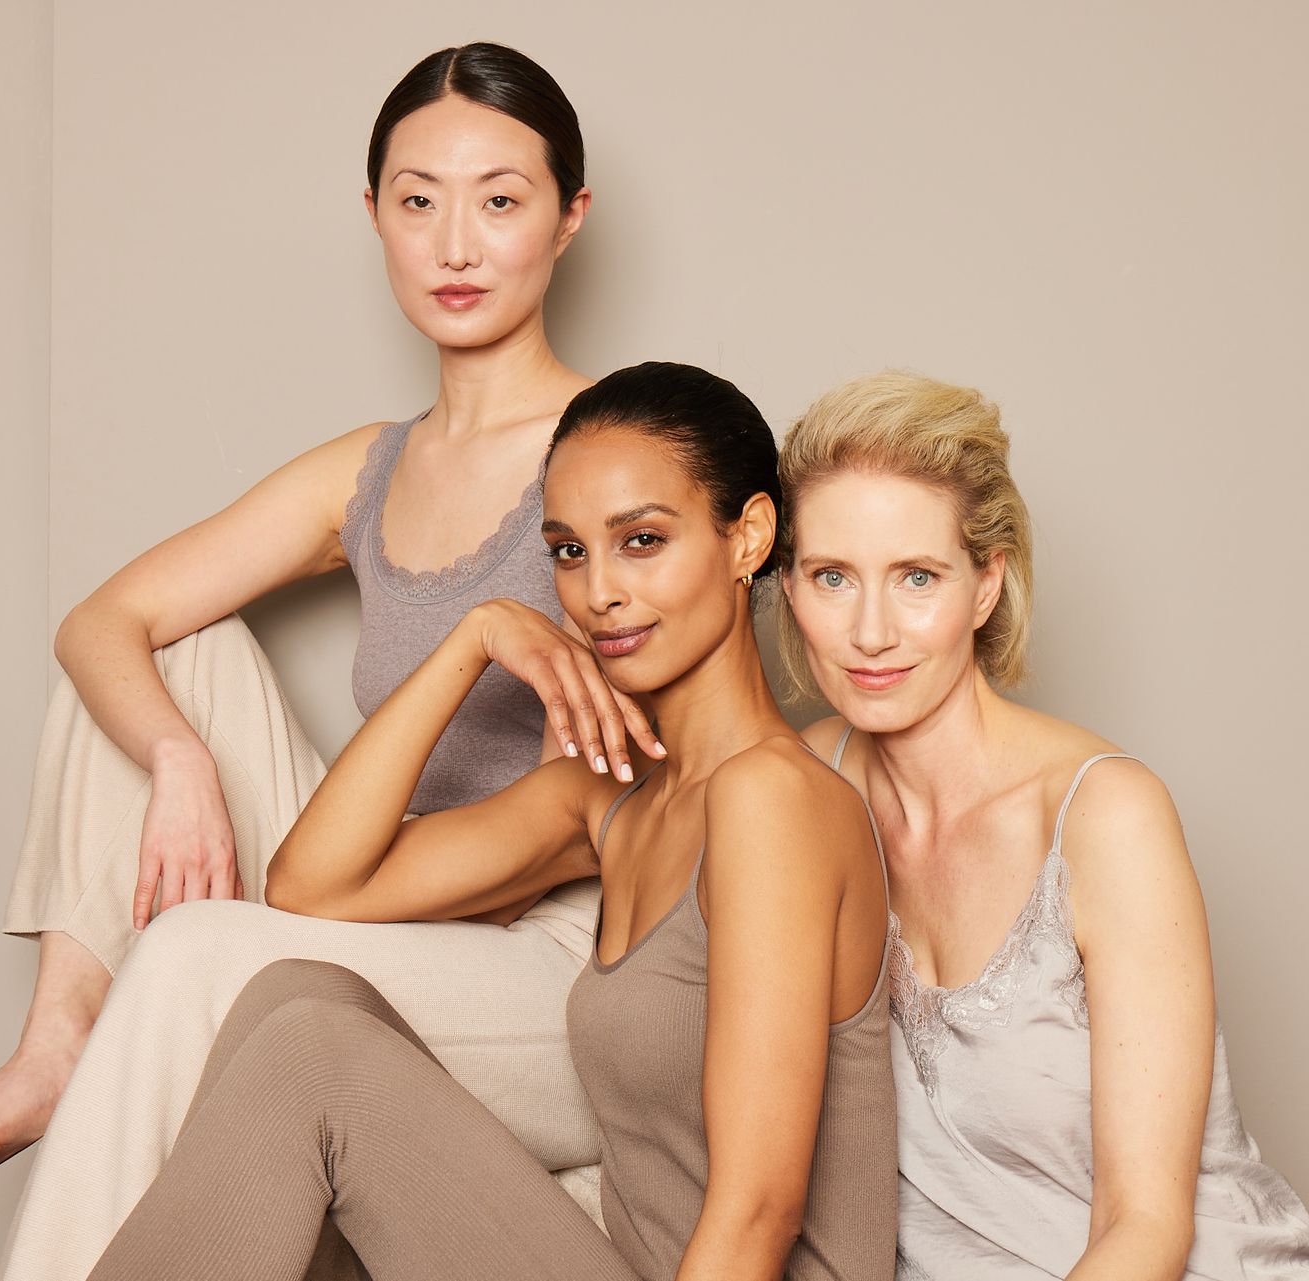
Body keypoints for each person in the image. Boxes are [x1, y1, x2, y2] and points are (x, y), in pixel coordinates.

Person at [0, 32, 658, 1264]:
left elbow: (656, 778)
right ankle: (60, 1041)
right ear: (374, 215)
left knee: (198, 949)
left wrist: (353, 890)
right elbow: (103, 621)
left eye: (501, 202)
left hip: (555, 969)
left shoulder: (620, 451)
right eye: (419, 203)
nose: (455, 246)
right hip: (384, 901)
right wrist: (183, 766)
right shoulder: (370, 466)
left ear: (569, 219)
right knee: (172, 658)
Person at [81, 360, 896, 1281]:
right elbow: (315, 883)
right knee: (292, 993)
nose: (598, 593)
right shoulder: (614, 799)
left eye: (642, 541)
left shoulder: (773, 799)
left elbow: (758, 1210)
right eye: (568, 551)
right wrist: (473, 637)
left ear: (748, 536)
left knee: (316, 1056)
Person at [776, 371, 1309, 1280]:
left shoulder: (1106, 817)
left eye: (917, 577)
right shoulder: (800, 792)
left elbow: (1147, 1227)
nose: (870, 631)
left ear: (987, 583)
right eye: (831, 576)